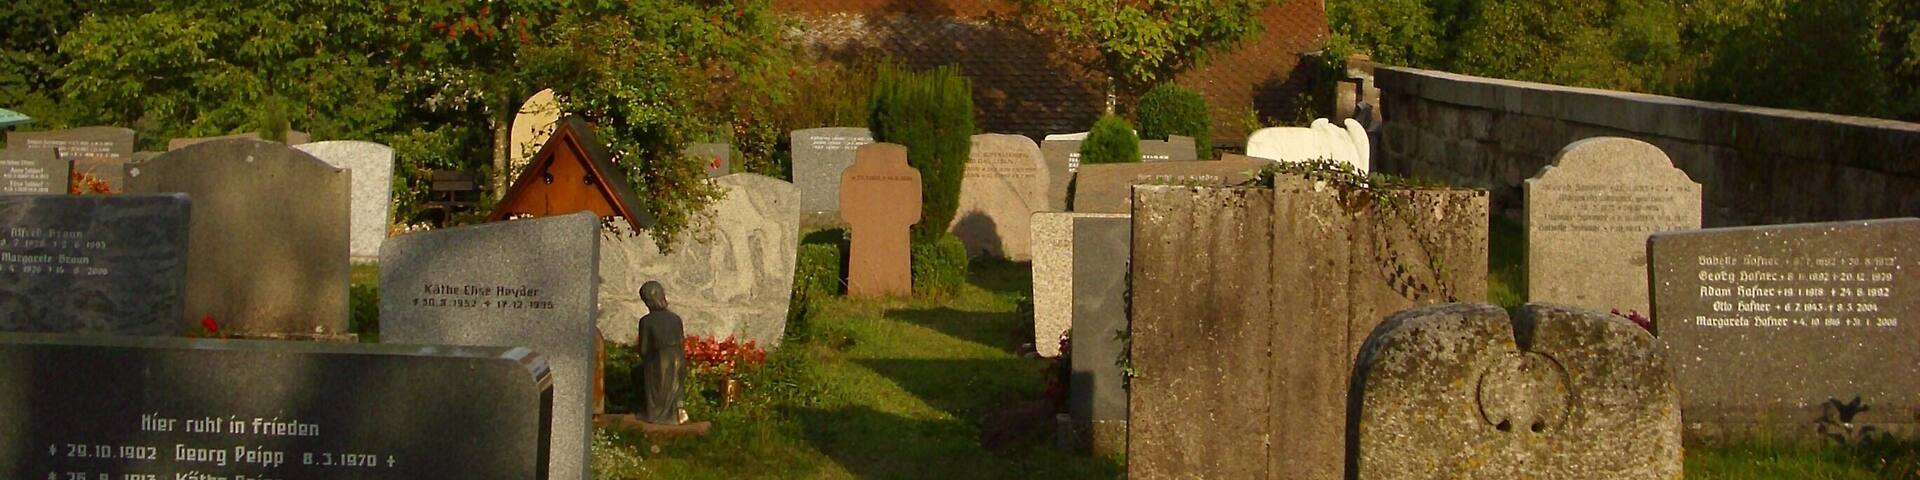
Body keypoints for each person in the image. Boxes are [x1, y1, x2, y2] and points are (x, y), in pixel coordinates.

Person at [634, 281, 686, 425]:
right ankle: (676, 412)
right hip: (679, 357)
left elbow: (644, 349)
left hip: (660, 358)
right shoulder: (676, 318)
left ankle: (656, 415)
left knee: (655, 388)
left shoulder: (646, 321)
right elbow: (681, 341)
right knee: (674, 387)